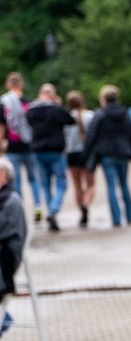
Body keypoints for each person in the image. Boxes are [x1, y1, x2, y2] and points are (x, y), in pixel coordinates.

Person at [82, 85, 131, 227]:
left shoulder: (100, 114)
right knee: (124, 184)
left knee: (111, 186)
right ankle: (130, 216)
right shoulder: (124, 113)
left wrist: (85, 156)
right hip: (123, 153)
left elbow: (91, 136)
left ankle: (116, 219)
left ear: (103, 98)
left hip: (106, 154)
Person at [26, 83, 75, 232]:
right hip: (55, 151)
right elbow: (70, 120)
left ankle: (50, 212)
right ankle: (53, 210)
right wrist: (58, 104)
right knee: (61, 183)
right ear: (52, 95)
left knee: (45, 184)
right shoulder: (55, 109)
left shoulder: (32, 110)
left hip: (38, 151)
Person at [1, 72, 41, 222]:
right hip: (29, 145)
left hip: (12, 146)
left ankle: (20, 210)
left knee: (15, 181)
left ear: (8, 84)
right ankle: (37, 206)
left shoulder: (4, 103)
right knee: (34, 179)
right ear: (22, 85)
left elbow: (2, 126)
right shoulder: (29, 103)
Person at [0, 156, 27, 337]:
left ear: (2, 175)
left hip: (6, 258)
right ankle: (4, 319)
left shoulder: (10, 200)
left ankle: (3, 320)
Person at [64, 91, 96, 227]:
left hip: (71, 154)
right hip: (86, 153)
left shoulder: (65, 117)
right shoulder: (90, 115)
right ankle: (86, 204)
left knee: (77, 185)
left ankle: (81, 209)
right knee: (91, 184)